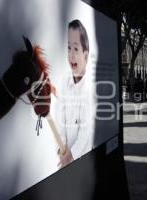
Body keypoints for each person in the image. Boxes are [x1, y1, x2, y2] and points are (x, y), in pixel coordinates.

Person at [56, 19, 95, 168]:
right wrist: (63, 146)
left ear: (85, 56)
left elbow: (86, 129)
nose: (71, 55)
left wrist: (71, 154)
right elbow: (60, 116)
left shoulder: (89, 88)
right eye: (68, 48)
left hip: (81, 157)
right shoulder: (65, 81)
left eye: (76, 49)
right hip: (65, 155)